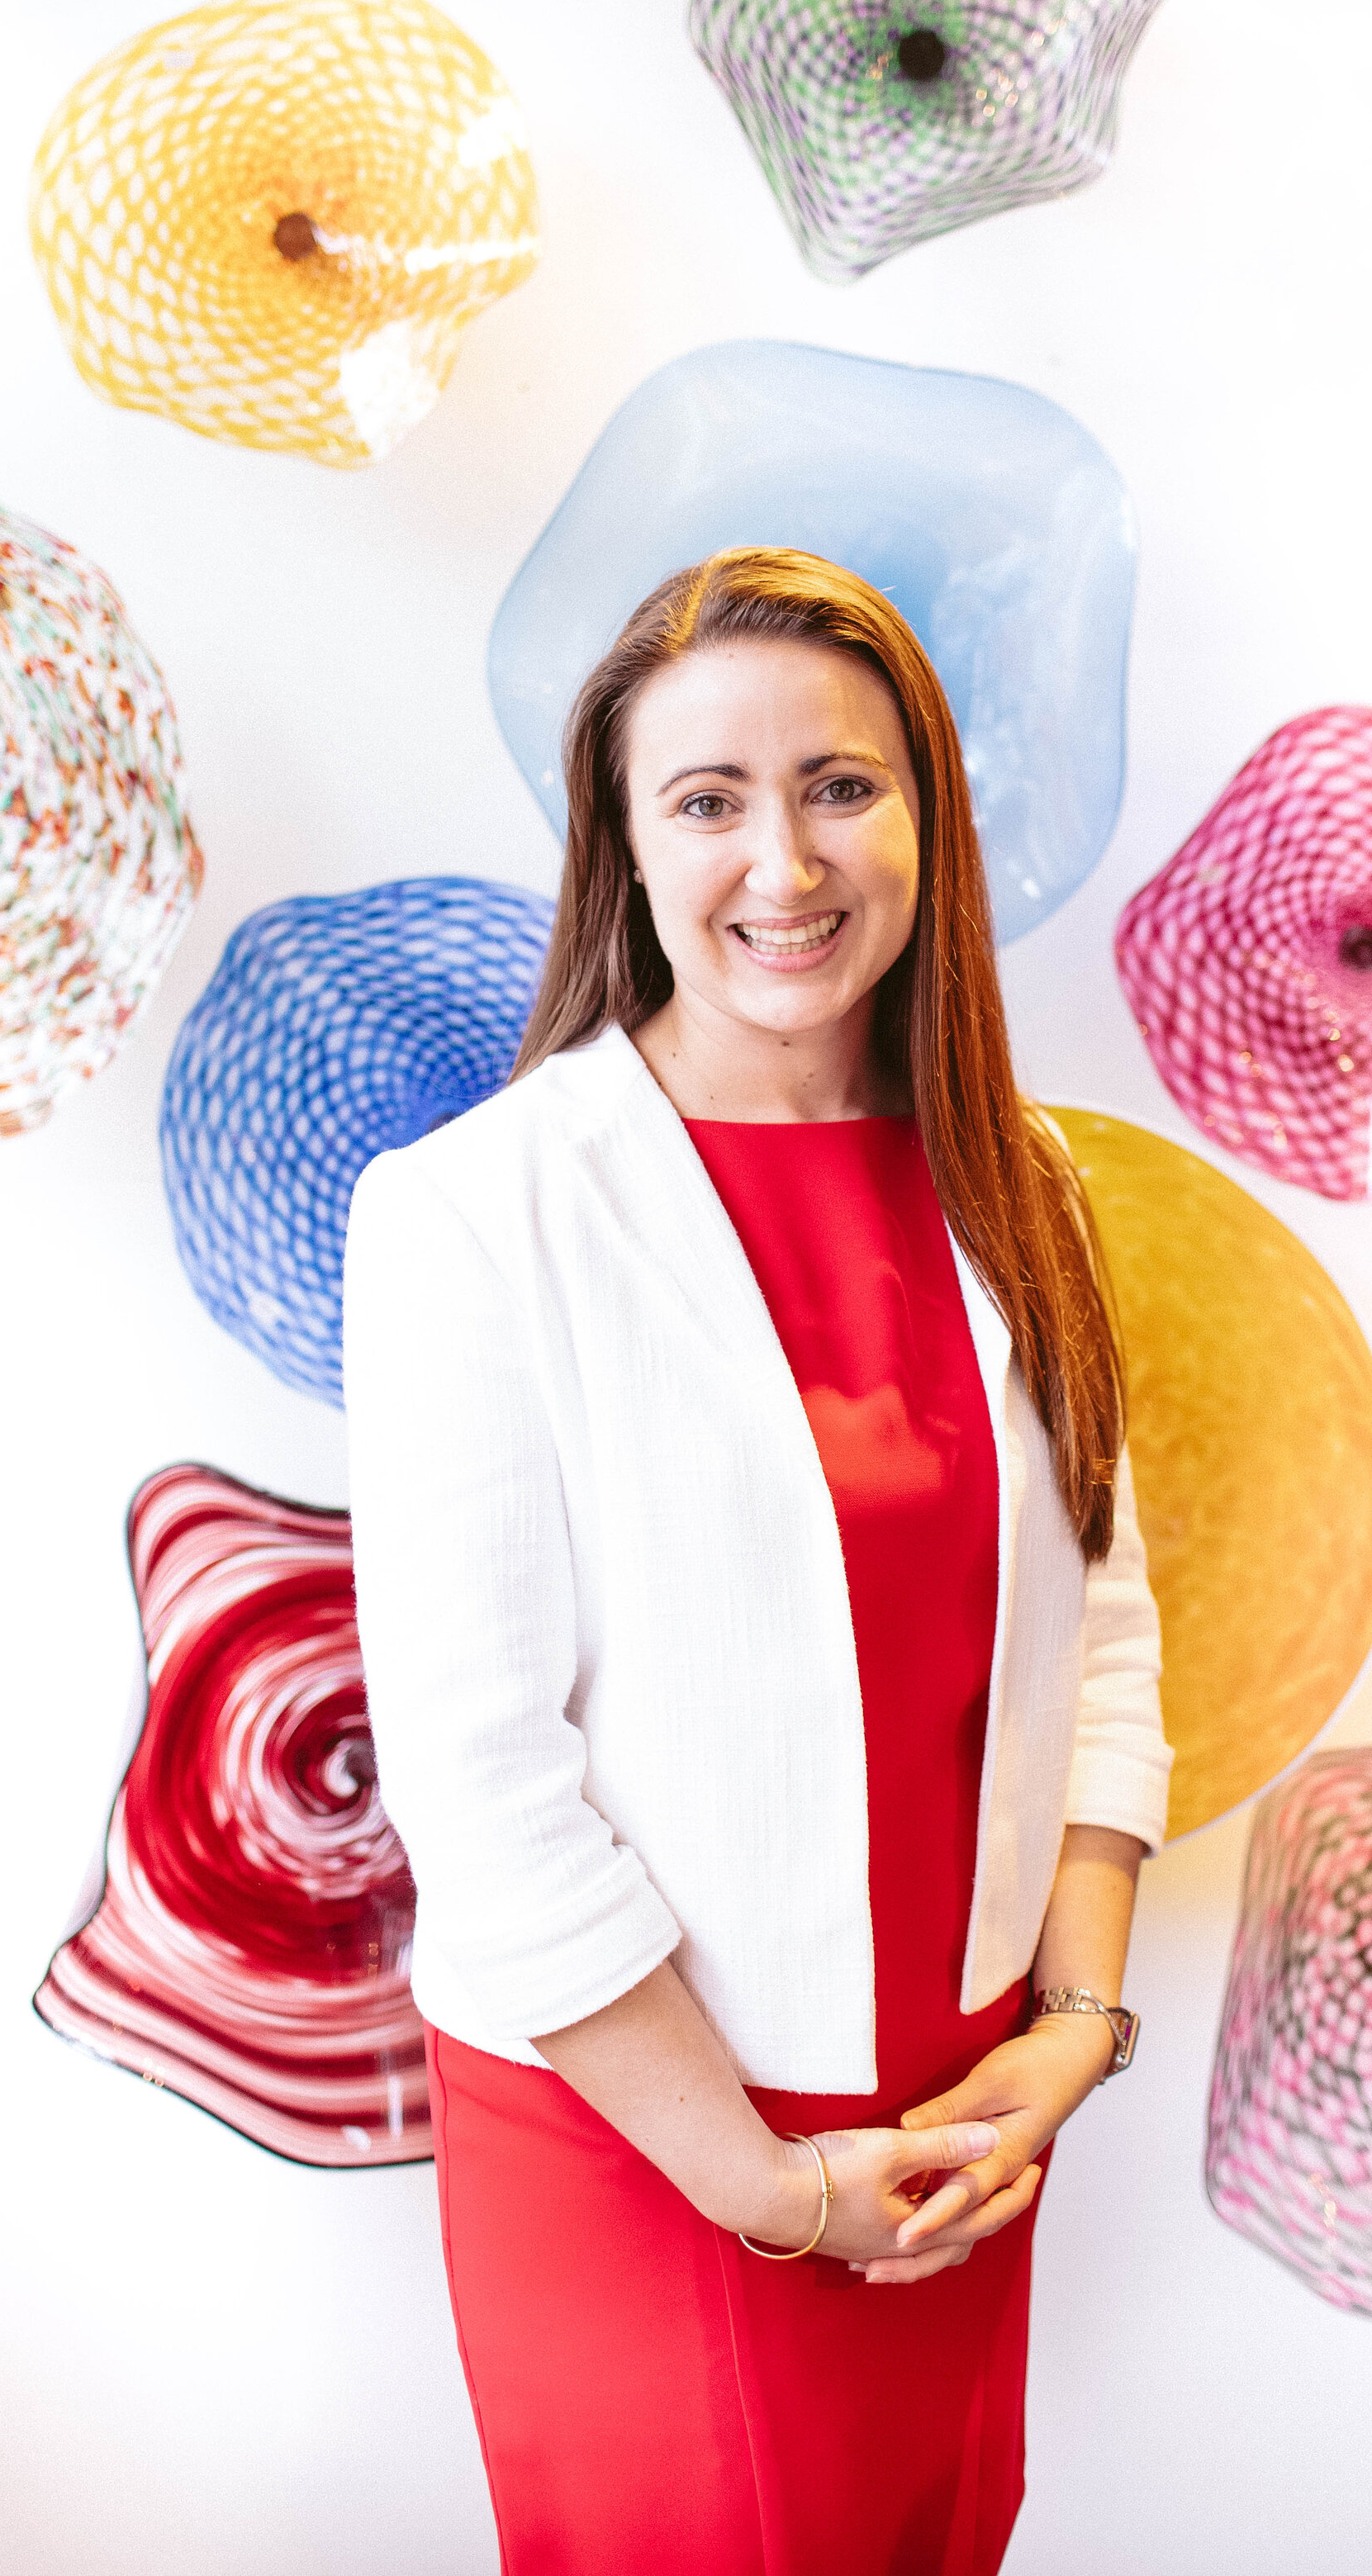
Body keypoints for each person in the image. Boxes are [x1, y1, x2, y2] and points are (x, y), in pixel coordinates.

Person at [344, 547, 1170, 2575]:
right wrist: (768, 2186)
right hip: (641, 2137)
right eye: (706, 800)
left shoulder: (1019, 1174)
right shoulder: (474, 1213)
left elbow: (1106, 1638)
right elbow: (482, 1778)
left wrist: (1070, 2030)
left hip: (962, 2126)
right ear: (623, 850)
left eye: (839, 785)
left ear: (924, 818)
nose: (781, 862)